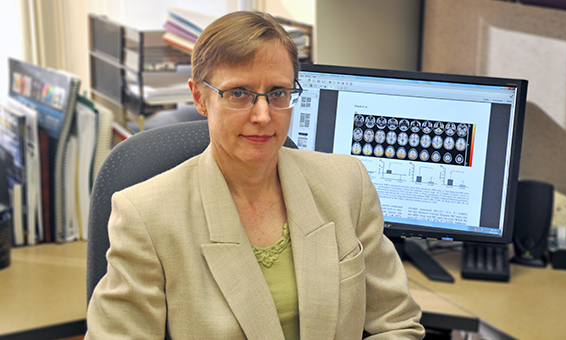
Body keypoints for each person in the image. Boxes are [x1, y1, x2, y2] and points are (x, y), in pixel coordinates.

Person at [85, 11, 424, 339]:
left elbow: (397, 323)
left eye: (277, 93)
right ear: (199, 97)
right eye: (239, 94)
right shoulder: (146, 215)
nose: (263, 115)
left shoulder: (346, 184)